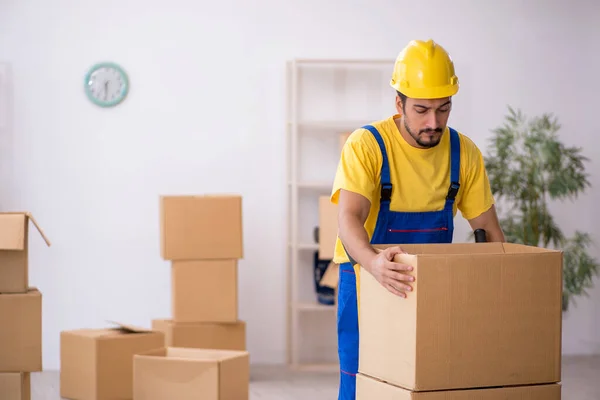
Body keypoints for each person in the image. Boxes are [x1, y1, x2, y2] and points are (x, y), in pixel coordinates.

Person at [329, 39, 506, 399]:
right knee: (361, 381)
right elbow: (349, 219)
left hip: (433, 285)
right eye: (422, 110)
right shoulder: (367, 145)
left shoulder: (463, 152)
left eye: (443, 109)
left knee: (429, 383)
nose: (433, 122)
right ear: (399, 103)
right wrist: (374, 263)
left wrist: (497, 290)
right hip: (367, 281)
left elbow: (488, 232)